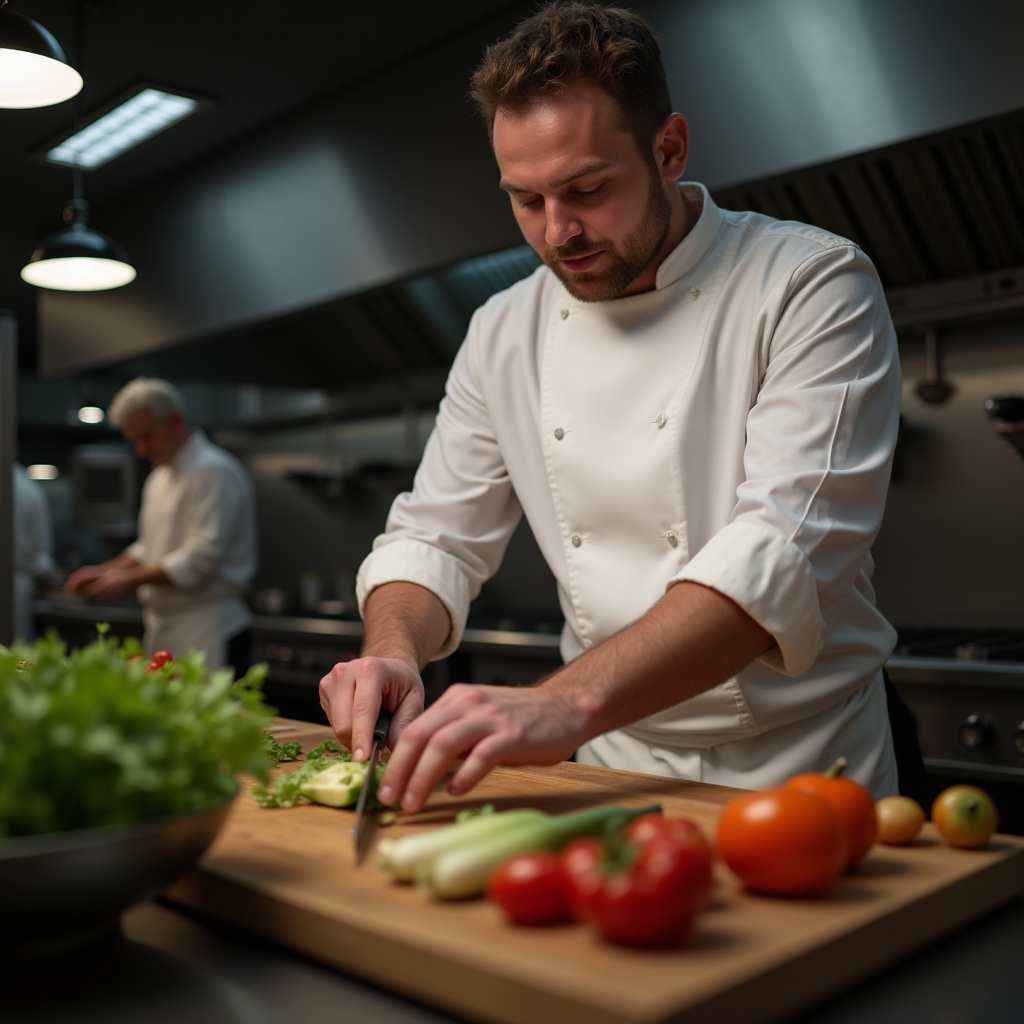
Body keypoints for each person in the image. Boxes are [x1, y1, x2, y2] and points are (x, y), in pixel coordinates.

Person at [320, 2, 918, 814]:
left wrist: (562, 703)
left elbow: (778, 556)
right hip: (609, 768)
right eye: (525, 200)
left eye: (587, 189)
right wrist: (392, 648)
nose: (557, 231)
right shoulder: (504, 330)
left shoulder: (811, 284)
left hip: (805, 767)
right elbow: (435, 536)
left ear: (669, 149)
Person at [65, 378, 257, 674]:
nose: (141, 450)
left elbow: (200, 559)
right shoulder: (158, 478)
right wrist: (105, 571)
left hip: (208, 626)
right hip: (165, 627)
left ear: (176, 421)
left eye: (147, 436)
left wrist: (128, 580)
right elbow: (147, 546)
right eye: (135, 441)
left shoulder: (213, 471)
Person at [13, 463, 57, 641]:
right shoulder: (29, 489)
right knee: (17, 655)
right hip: (19, 584)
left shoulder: (25, 488)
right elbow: (40, 553)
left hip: (18, 582)